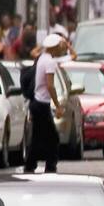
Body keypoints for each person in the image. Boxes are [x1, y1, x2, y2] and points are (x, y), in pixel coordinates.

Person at [24, 33, 70, 174]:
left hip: (37, 103)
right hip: (42, 104)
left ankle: (30, 166)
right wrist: (58, 105)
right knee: (52, 138)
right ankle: (50, 167)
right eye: (58, 47)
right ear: (54, 48)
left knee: (37, 137)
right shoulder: (49, 61)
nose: (60, 50)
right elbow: (50, 86)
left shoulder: (41, 58)